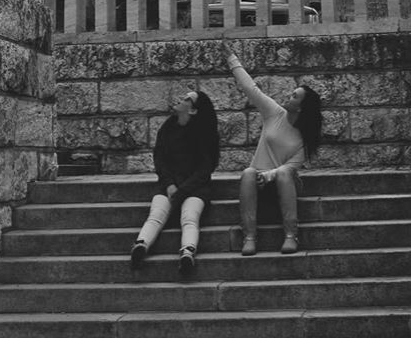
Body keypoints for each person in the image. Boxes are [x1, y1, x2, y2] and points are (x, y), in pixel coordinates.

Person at [223, 40, 322, 256]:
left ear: (302, 108)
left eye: (294, 96)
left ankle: (290, 235)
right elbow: (251, 89)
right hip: (258, 181)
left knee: (286, 172)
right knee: (248, 172)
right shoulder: (275, 113)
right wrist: (232, 59)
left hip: (284, 183)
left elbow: (290, 168)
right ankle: (249, 237)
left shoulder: (305, 138)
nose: (289, 96)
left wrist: (269, 175)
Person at [130, 89, 220, 275]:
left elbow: (205, 169)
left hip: (195, 187)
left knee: (189, 217)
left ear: (193, 110)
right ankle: (141, 245)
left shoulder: (203, 134)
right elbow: (160, 160)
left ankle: (187, 252)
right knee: (156, 214)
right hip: (169, 185)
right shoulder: (168, 128)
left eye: (187, 99)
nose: (181, 99)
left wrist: (182, 191)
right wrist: (169, 184)